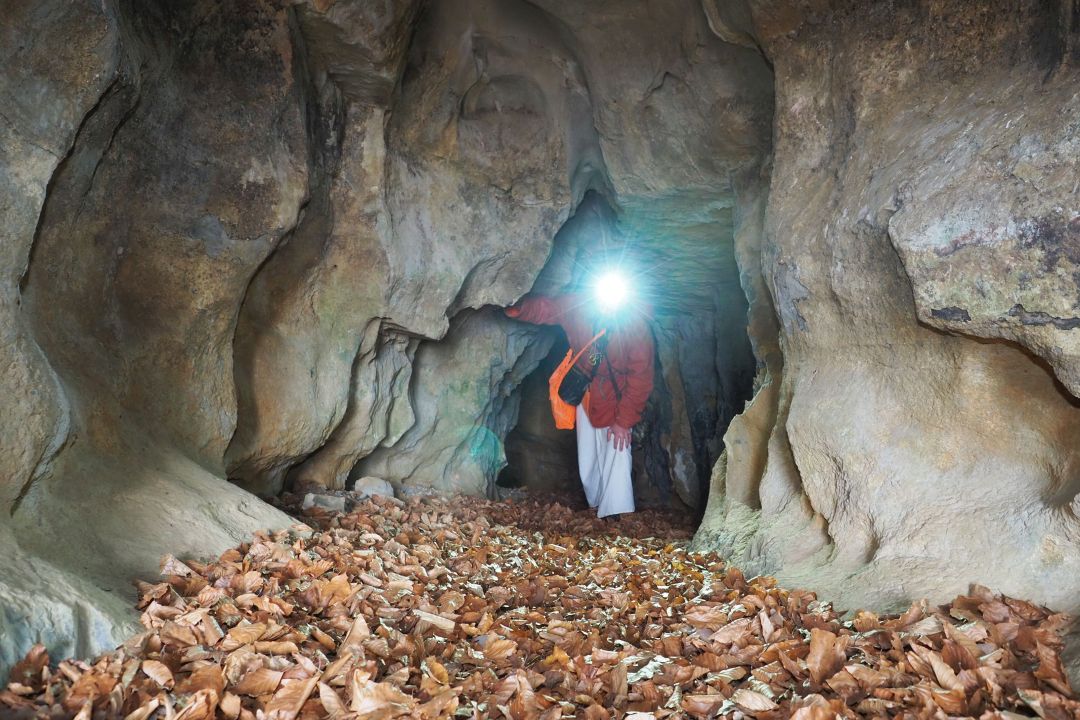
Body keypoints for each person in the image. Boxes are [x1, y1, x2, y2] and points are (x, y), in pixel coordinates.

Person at [506, 292, 654, 518]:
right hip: (586, 395)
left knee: (616, 451)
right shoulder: (580, 306)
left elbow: (641, 377)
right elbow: (548, 308)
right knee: (589, 456)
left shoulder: (634, 324)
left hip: (616, 400)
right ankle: (596, 507)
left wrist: (624, 421)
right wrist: (518, 307)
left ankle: (618, 515)